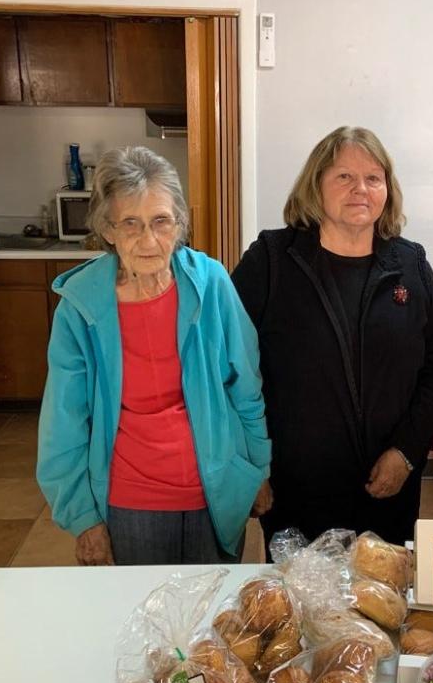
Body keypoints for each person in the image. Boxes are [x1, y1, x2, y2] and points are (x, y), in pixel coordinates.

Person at [37, 145, 270, 565]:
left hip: (214, 491)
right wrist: (83, 517)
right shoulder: (80, 306)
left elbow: (246, 386)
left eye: (161, 221)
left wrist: (257, 469)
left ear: (179, 223)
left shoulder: (211, 283)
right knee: (142, 621)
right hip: (130, 500)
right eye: (131, 223)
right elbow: (63, 422)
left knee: (213, 623)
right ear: (107, 229)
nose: (149, 240)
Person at [232, 127, 433, 546]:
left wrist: (406, 453)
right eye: (343, 177)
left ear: (387, 187)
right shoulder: (271, 262)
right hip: (296, 491)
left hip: (388, 487)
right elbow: (231, 372)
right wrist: (251, 467)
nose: (360, 189)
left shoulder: (412, 265)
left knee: (382, 605)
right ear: (316, 185)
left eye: (373, 177)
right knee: (300, 607)